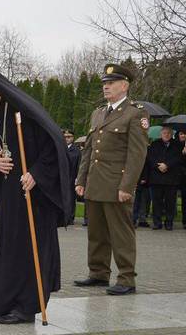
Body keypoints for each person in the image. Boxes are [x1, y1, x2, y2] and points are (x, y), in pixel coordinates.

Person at [0, 64, 71, 324]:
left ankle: (27, 306)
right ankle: (3, 301)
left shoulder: (24, 109)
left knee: (30, 249)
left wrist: (37, 174)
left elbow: (53, 146)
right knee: (9, 247)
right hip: (10, 191)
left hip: (34, 193)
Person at [75, 64, 148, 296]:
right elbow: (88, 150)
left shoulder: (135, 113)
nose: (106, 86)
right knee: (96, 232)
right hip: (95, 183)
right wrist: (81, 179)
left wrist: (127, 186)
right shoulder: (98, 113)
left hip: (117, 186)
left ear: (124, 85)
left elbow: (137, 155)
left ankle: (127, 278)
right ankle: (98, 273)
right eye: (104, 83)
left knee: (121, 233)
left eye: (111, 83)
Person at [147, 126, 183, 230]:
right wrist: (158, 166)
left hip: (171, 178)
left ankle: (169, 222)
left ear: (171, 134)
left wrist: (167, 165)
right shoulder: (154, 144)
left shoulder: (177, 145)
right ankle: (157, 223)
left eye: (168, 133)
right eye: (164, 133)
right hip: (156, 178)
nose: (166, 135)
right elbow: (150, 158)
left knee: (170, 202)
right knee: (156, 202)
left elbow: (178, 158)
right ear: (161, 134)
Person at [63, 129, 82, 225]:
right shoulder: (61, 148)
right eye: (65, 137)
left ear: (73, 138)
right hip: (61, 176)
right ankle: (62, 216)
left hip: (71, 177)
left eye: (69, 137)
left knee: (70, 198)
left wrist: (78, 178)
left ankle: (70, 217)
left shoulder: (77, 151)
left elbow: (79, 165)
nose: (66, 139)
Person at [132, 154, 151, 228]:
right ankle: (133, 219)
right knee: (135, 202)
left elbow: (147, 166)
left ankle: (142, 220)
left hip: (144, 181)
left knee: (143, 202)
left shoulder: (146, 152)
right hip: (134, 180)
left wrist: (144, 178)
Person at [178, 131, 186, 229]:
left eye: (185, 134)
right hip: (179, 176)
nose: (183, 135)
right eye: (181, 133)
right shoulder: (176, 145)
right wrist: (182, 153)